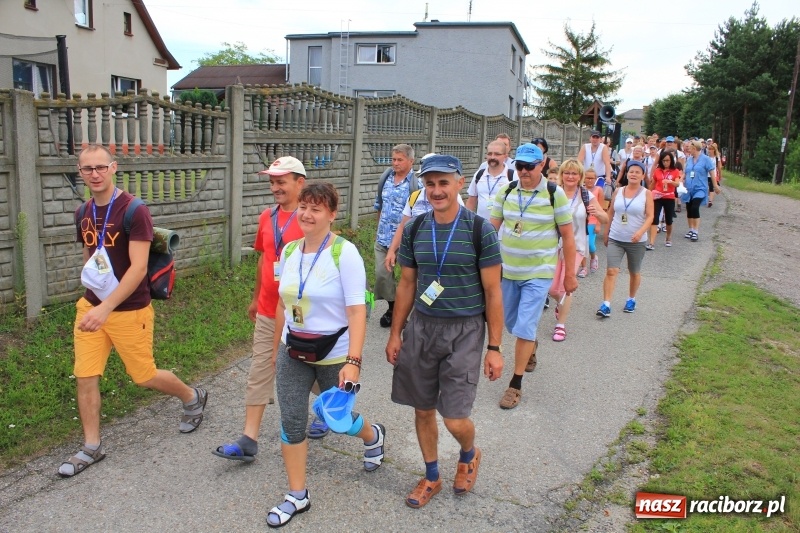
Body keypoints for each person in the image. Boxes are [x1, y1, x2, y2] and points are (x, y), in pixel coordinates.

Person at [60, 144, 207, 477]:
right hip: (91, 307)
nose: (94, 174)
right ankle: (91, 447)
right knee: (85, 377)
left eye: (100, 167)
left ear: (114, 168)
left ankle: (192, 395)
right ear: (80, 173)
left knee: (143, 376)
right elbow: (91, 255)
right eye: (87, 169)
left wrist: (107, 307)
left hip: (129, 311)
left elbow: (138, 268)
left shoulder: (133, 209)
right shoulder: (82, 211)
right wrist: (91, 298)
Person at [386, 154, 503, 509]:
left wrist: (494, 346)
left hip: (465, 328)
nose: (436, 190)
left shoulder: (479, 229)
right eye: (430, 183)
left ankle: (469, 452)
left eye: (443, 183)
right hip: (422, 326)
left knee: (454, 417)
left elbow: (493, 291)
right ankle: (432, 475)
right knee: (422, 409)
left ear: (459, 183)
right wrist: (396, 333)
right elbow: (406, 283)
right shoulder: (416, 228)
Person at [268, 182, 385, 527]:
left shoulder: (343, 254)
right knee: (292, 421)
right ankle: (297, 495)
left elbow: (357, 312)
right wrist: (274, 349)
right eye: (303, 206)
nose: (306, 214)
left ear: (331, 215)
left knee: (340, 421)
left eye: (316, 208)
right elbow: (281, 305)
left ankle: (373, 436)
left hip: (333, 354)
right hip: (293, 351)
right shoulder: (289, 252)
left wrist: (354, 360)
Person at [211, 156, 328, 463]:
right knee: (261, 368)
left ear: (299, 183)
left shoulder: (310, 220)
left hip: (301, 313)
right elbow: (265, 259)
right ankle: (249, 439)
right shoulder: (267, 217)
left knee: (309, 369)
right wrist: (255, 297)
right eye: (272, 182)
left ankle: (330, 406)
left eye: (281, 182)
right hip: (267, 308)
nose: (275, 187)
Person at [491, 143, 577, 409]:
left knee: (525, 326)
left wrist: (569, 275)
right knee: (511, 324)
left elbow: (568, 237)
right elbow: (490, 231)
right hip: (509, 271)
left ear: (542, 165)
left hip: (539, 273)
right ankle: (531, 344)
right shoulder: (506, 192)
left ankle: (514, 385)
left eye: (530, 166)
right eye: (519, 166)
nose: (524, 171)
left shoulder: (555, 194)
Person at [548, 160, 608, 341]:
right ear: (562, 175)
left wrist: (597, 214)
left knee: (566, 286)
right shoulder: (552, 194)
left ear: (580, 177)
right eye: (567, 173)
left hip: (576, 246)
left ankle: (561, 325)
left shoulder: (586, 195)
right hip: (552, 245)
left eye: (574, 174)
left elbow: (605, 218)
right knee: (551, 288)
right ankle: (560, 303)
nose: (570, 177)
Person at [596, 160, 654, 317]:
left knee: (634, 271)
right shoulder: (618, 191)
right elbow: (611, 213)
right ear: (627, 173)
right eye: (631, 171)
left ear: (642, 175)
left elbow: (650, 216)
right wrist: (606, 232)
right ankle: (606, 304)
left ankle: (631, 298)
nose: (634, 174)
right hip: (616, 237)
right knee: (611, 270)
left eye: (637, 172)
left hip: (636, 240)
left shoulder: (646, 193)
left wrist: (641, 232)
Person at [373, 144, 418, 328]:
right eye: (393, 159)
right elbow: (379, 206)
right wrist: (379, 228)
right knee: (382, 275)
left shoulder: (416, 183)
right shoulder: (386, 178)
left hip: (406, 241)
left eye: (400, 160)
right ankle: (392, 308)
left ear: (411, 161)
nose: (395, 163)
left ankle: (406, 313)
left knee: (408, 279)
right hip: (383, 238)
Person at [466, 140, 514, 219]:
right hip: (481, 228)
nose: (492, 157)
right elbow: (471, 201)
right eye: (489, 154)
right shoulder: (479, 175)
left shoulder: (512, 176)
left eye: (497, 154)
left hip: (503, 229)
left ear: (505, 156)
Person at [682, 140, 717, 242]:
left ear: (695, 148)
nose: (688, 149)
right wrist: (680, 181)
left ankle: (696, 231)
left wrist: (715, 186)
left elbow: (712, 172)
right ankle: (691, 229)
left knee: (695, 207)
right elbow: (685, 172)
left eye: (690, 148)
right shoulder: (689, 159)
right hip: (689, 188)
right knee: (689, 208)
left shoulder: (705, 159)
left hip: (700, 187)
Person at [647, 151, 681, 249]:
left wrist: (670, 181)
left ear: (671, 161)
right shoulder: (658, 170)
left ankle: (668, 237)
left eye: (668, 160)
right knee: (654, 219)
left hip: (669, 197)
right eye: (664, 160)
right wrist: (648, 194)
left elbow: (677, 184)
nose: (666, 162)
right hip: (657, 196)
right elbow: (653, 184)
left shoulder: (675, 171)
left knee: (669, 220)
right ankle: (652, 242)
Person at [583, 168, 604, 274]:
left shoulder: (599, 190)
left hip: (593, 220)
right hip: (583, 220)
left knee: (590, 244)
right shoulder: (581, 189)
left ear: (595, 179)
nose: (590, 180)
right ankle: (583, 267)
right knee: (583, 244)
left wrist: (598, 224)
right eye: (587, 178)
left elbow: (601, 208)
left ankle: (593, 257)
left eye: (592, 178)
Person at [706, 142, 722, 206]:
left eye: (711, 149)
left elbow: (719, 167)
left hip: (713, 175)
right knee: (706, 187)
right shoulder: (706, 158)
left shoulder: (717, 158)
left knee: (711, 188)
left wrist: (720, 175)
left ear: (714, 150)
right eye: (709, 149)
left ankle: (710, 201)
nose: (709, 151)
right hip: (706, 175)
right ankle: (707, 197)